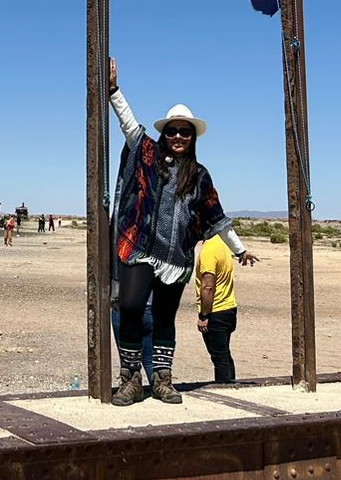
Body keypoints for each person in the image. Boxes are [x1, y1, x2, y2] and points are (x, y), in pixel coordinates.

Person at [107, 57, 257, 406]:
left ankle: (162, 380)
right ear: (164, 134)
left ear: (192, 138)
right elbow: (130, 126)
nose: (177, 136)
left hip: (175, 259)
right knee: (129, 306)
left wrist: (239, 250)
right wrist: (114, 89)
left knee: (163, 317)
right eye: (172, 131)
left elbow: (217, 217)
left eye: (184, 132)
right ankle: (129, 379)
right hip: (141, 247)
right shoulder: (147, 155)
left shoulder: (200, 175)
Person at [195, 231, 241, 384]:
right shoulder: (222, 244)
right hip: (228, 309)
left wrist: (204, 316)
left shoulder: (209, 250)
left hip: (216, 310)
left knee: (219, 358)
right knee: (224, 355)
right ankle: (231, 385)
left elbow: (208, 286)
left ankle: (225, 389)